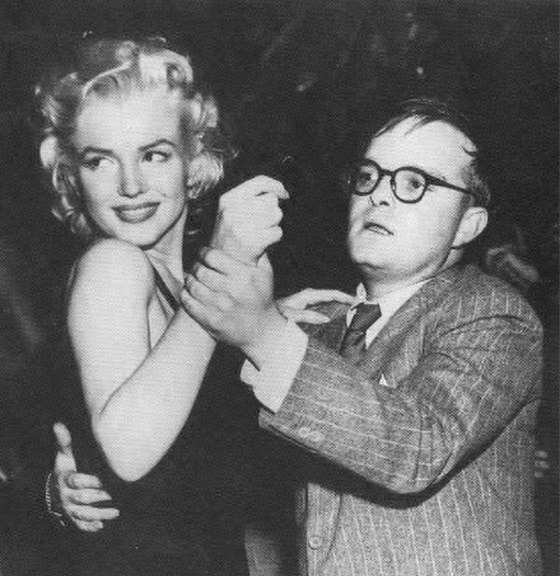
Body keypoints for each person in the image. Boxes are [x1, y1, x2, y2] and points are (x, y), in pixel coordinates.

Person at [179, 97, 544, 575]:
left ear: (467, 225)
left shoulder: (492, 313)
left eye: (414, 183)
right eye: (369, 176)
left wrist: (265, 336)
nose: (380, 196)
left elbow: (421, 447)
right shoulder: (313, 326)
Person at [34, 36, 292, 576]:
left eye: (154, 154)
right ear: (73, 175)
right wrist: (222, 268)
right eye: (100, 161)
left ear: (193, 162)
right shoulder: (114, 264)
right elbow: (128, 450)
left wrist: (272, 320)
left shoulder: (174, 286)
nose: (130, 185)